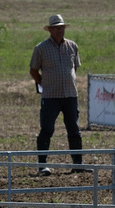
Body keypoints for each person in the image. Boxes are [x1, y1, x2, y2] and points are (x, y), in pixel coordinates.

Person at [29, 14, 85, 176]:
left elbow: (75, 67)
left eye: (62, 27)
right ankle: (42, 166)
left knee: (74, 129)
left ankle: (78, 163)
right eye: (57, 28)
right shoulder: (41, 48)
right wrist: (44, 84)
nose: (60, 30)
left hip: (70, 95)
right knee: (46, 129)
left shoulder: (72, 46)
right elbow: (33, 70)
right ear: (50, 30)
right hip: (51, 96)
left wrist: (67, 79)